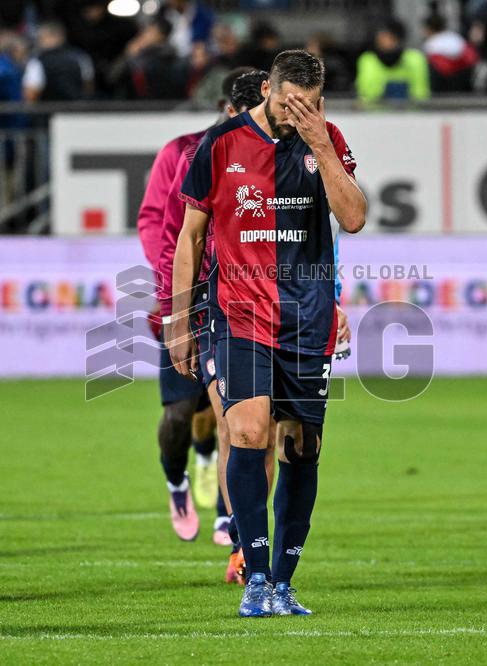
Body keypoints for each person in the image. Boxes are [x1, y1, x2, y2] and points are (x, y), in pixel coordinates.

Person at [170, 50, 366, 617]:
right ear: (269, 92)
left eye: (308, 105)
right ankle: (254, 575)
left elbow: (352, 218)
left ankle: (283, 581)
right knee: (249, 430)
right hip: (240, 313)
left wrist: (323, 146)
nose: (295, 114)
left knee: (303, 446)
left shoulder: (325, 140)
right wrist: (179, 320)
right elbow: (191, 236)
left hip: (307, 320)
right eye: (287, 103)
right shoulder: (222, 143)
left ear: (320, 100)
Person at [135, 71, 262, 544]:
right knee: (179, 416)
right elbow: (166, 231)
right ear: (228, 108)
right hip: (188, 300)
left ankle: (229, 517)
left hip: (238, 304)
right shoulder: (186, 153)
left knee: (234, 418)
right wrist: (176, 307)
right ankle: (178, 479)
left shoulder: (267, 156)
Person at [158, 68, 276, 581]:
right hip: (216, 307)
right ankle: (236, 536)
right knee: (222, 424)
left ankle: (242, 529)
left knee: (272, 437)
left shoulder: (289, 155)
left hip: (279, 310)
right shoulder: (200, 153)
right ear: (233, 110)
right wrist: (175, 311)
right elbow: (175, 234)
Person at [355, 19, 430, 103]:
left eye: (389, 37)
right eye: (380, 37)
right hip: (373, 113)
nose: (383, 42)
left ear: (399, 39)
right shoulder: (367, 59)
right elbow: (363, 92)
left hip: (409, 113)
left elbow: (421, 94)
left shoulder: (415, 59)